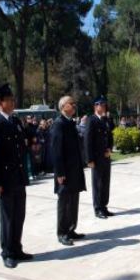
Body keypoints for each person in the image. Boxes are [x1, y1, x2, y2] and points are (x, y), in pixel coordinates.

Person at [0, 83, 32, 269]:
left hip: (18, 177)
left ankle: (17, 247)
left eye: (13, 99)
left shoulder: (14, 121)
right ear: (0, 102)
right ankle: (7, 252)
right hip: (4, 180)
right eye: (9, 100)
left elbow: (21, 148)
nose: (13, 102)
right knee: (7, 217)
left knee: (19, 215)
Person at [51, 96, 86, 246]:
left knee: (73, 202)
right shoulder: (59, 124)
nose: (74, 106)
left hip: (74, 170)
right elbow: (56, 151)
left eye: (74, 103)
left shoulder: (70, 123)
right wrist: (59, 172)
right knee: (64, 202)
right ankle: (62, 232)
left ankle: (71, 229)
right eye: (72, 103)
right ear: (63, 106)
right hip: (64, 172)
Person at [85, 96, 114, 219]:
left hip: (106, 156)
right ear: (95, 106)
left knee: (105, 182)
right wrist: (89, 159)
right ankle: (97, 208)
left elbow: (110, 136)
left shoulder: (106, 119)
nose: (102, 106)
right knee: (97, 183)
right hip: (96, 158)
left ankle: (104, 206)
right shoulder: (91, 120)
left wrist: (109, 149)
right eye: (100, 104)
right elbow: (87, 140)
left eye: (104, 104)